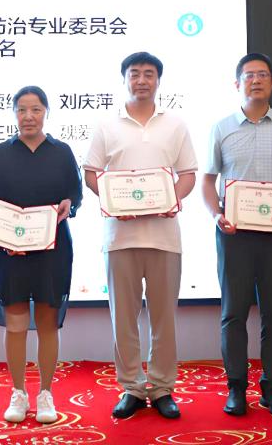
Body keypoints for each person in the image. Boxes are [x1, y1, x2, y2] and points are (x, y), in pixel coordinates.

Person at [84, 52, 198, 420]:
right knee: (124, 319)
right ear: (125, 79)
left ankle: (162, 387)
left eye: (149, 74)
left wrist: (171, 200)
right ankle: (131, 387)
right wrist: (113, 202)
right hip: (120, 237)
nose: (142, 80)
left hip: (165, 237)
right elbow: (91, 173)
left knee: (164, 319)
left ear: (158, 81)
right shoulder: (107, 125)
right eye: (135, 74)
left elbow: (188, 174)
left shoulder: (175, 125)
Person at [200, 53, 272, 417]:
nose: (256, 80)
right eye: (249, 75)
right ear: (237, 84)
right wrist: (216, 214)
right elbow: (207, 181)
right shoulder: (222, 127)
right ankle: (236, 388)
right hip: (234, 233)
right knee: (233, 314)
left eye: (263, 74)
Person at [0, 86, 83, 424]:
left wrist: (70, 204)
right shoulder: (0, 153)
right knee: (15, 323)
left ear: (46, 113)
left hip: (52, 249)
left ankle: (45, 393)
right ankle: (18, 392)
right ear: (14, 113)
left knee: (46, 322)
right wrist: (4, 234)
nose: (29, 116)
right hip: (10, 250)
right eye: (22, 110)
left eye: (36, 109)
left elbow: (75, 194)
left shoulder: (62, 152)